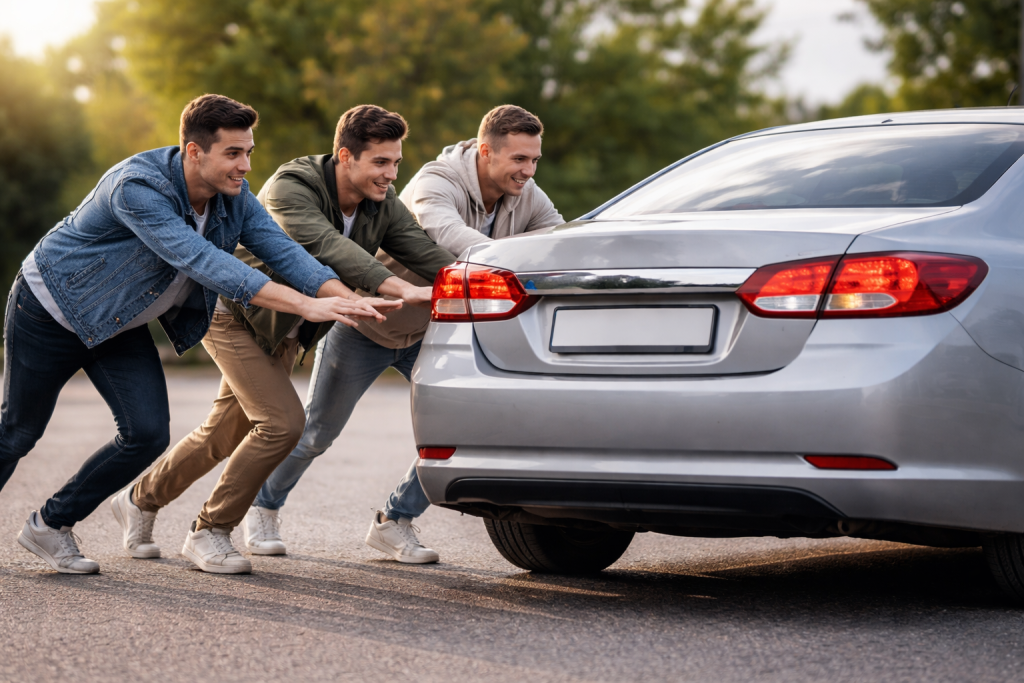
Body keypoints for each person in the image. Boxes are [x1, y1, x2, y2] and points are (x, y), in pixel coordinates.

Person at [1, 94, 379, 574]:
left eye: (249, 153)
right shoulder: (137, 187)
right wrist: (305, 304)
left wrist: (343, 297)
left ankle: (51, 524)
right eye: (233, 153)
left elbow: (282, 250)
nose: (245, 166)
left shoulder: (234, 197)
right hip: (51, 309)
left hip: (118, 324)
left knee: (146, 435)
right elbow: (203, 261)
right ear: (194, 152)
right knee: (18, 432)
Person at [114, 104, 451, 573]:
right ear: (345, 156)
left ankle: (139, 500)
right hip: (233, 313)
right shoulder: (292, 186)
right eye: (380, 162)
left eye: (396, 162)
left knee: (223, 433)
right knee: (281, 424)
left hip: (286, 330)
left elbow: (426, 252)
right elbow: (327, 248)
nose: (391, 174)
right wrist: (398, 287)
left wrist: (488, 278)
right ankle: (210, 530)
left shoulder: (382, 203)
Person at [250, 104, 564, 563]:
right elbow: (444, 235)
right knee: (316, 432)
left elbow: (557, 241)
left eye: (534, 159)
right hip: (371, 324)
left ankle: (394, 522)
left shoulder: (527, 195)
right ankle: (262, 507)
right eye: (519, 159)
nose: (528, 170)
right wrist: (512, 268)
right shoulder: (438, 181)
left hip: (437, 333)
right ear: (485, 151)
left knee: (463, 430)